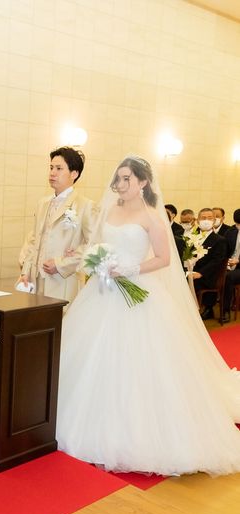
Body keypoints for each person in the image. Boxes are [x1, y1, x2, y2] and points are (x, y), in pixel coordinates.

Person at [56, 155, 240, 476]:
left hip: (136, 290)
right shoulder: (109, 210)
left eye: (127, 178)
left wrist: (130, 268)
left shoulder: (152, 216)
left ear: (142, 182)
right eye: (118, 178)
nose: (120, 184)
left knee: (141, 360)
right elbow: (97, 244)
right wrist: (90, 257)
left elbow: (164, 259)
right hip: (102, 291)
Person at [18, 146, 97, 302]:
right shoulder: (42, 203)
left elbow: (93, 245)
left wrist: (61, 264)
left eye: (59, 168)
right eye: (51, 167)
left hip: (63, 283)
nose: (52, 173)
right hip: (36, 281)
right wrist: (25, 271)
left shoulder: (86, 206)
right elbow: (34, 240)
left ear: (74, 174)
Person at [190, 208, 227, 321]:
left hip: (208, 275)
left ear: (214, 220)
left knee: (192, 281)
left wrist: (201, 273)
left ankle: (207, 308)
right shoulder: (192, 237)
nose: (206, 220)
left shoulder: (219, 240)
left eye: (210, 218)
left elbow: (217, 261)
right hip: (192, 270)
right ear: (197, 220)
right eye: (203, 218)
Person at [222, 209, 240, 323]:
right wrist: (226, 261)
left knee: (228, 277)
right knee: (216, 273)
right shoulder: (230, 232)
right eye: (237, 224)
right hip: (229, 264)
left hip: (238, 267)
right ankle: (209, 307)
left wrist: (238, 261)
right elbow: (224, 249)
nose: (238, 227)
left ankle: (225, 311)